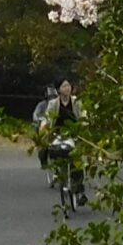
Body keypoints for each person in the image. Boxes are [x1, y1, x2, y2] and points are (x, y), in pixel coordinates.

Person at [34, 79, 85, 207]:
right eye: (64, 86)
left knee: (77, 162)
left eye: (68, 85)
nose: (67, 88)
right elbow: (47, 118)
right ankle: (54, 169)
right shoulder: (53, 104)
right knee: (52, 150)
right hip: (57, 133)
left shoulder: (76, 102)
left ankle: (79, 191)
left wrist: (84, 126)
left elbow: (83, 115)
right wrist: (44, 128)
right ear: (59, 89)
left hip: (74, 133)